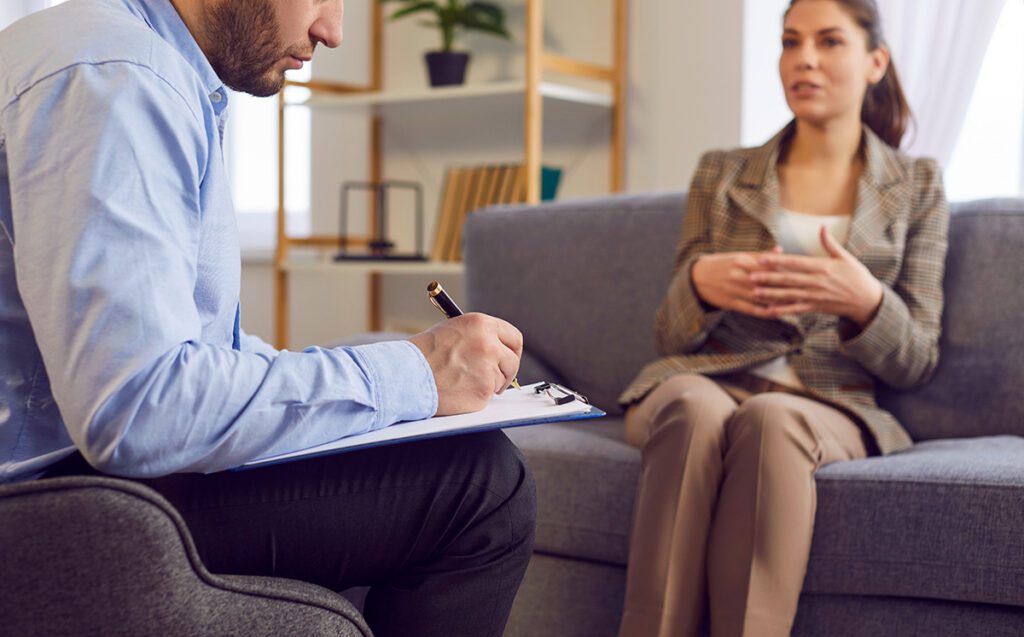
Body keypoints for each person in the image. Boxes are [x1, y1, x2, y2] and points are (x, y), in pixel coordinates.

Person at [0, 1, 535, 635]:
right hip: (48, 507)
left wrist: (407, 384)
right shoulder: (121, 74)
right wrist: (414, 371)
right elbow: (137, 407)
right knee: (480, 486)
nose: (332, 31)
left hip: (68, 473)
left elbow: (204, 349)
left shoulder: (122, 57)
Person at [615, 0, 949, 635]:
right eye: (791, 42)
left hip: (829, 400)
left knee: (771, 419)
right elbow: (668, 334)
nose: (805, 60)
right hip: (710, 375)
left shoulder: (918, 185)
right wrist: (699, 283)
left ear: (875, 61)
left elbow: (918, 360)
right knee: (694, 406)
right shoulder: (722, 172)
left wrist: (866, 302)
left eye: (829, 42)